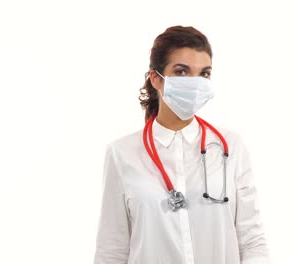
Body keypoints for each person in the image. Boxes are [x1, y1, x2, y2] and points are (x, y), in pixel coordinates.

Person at [93, 25, 271, 264]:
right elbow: (112, 250)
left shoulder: (230, 147)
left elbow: (252, 241)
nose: (195, 84)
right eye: (182, 72)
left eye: (204, 74)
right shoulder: (122, 153)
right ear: (156, 78)